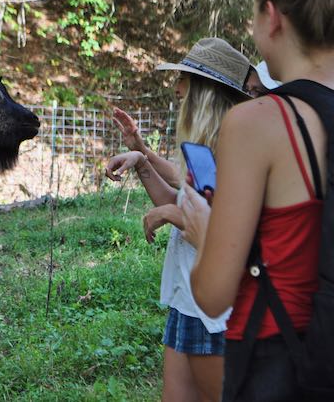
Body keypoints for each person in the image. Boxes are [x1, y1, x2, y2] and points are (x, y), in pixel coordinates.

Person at [181, 0, 334, 400]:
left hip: (278, 365)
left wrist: (204, 231)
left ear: (271, 17)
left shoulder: (259, 123)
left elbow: (212, 296)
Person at [105, 38, 252, 402]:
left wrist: (172, 213)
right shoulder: (202, 146)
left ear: (203, 91)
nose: (177, 88)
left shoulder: (236, 148)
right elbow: (182, 197)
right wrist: (141, 157)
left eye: (184, 80)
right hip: (186, 300)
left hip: (214, 310)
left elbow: (221, 233)